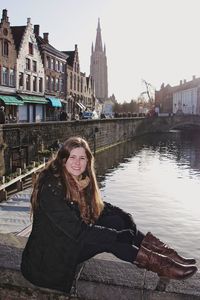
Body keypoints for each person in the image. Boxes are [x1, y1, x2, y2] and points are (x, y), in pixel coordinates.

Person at [21, 136, 197, 294]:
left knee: (117, 220)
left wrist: (123, 216)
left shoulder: (78, 181)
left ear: (88, 161)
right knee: (110, 239)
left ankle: (167, 255)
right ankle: (161, 265)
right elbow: (77, 230)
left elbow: (98, 208)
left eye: (82, 158)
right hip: (48, 262)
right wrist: (118, 236)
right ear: (63, 159)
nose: (77, 162)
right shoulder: (51, 188)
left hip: (65, 243)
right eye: (72, 157)